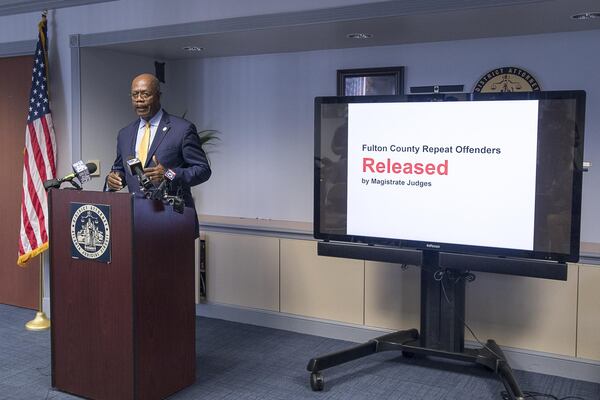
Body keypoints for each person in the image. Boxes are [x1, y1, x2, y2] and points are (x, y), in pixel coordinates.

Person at [105, 73, 211, 235]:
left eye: (145, 94)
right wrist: (113, 179)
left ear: (158, 96)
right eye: (135, 94)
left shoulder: (182, 129)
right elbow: (119, 168)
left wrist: (168, 174)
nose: (139, 99)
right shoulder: (125, 134)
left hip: (173, 220)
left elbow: (203, 170)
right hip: (136, 222)